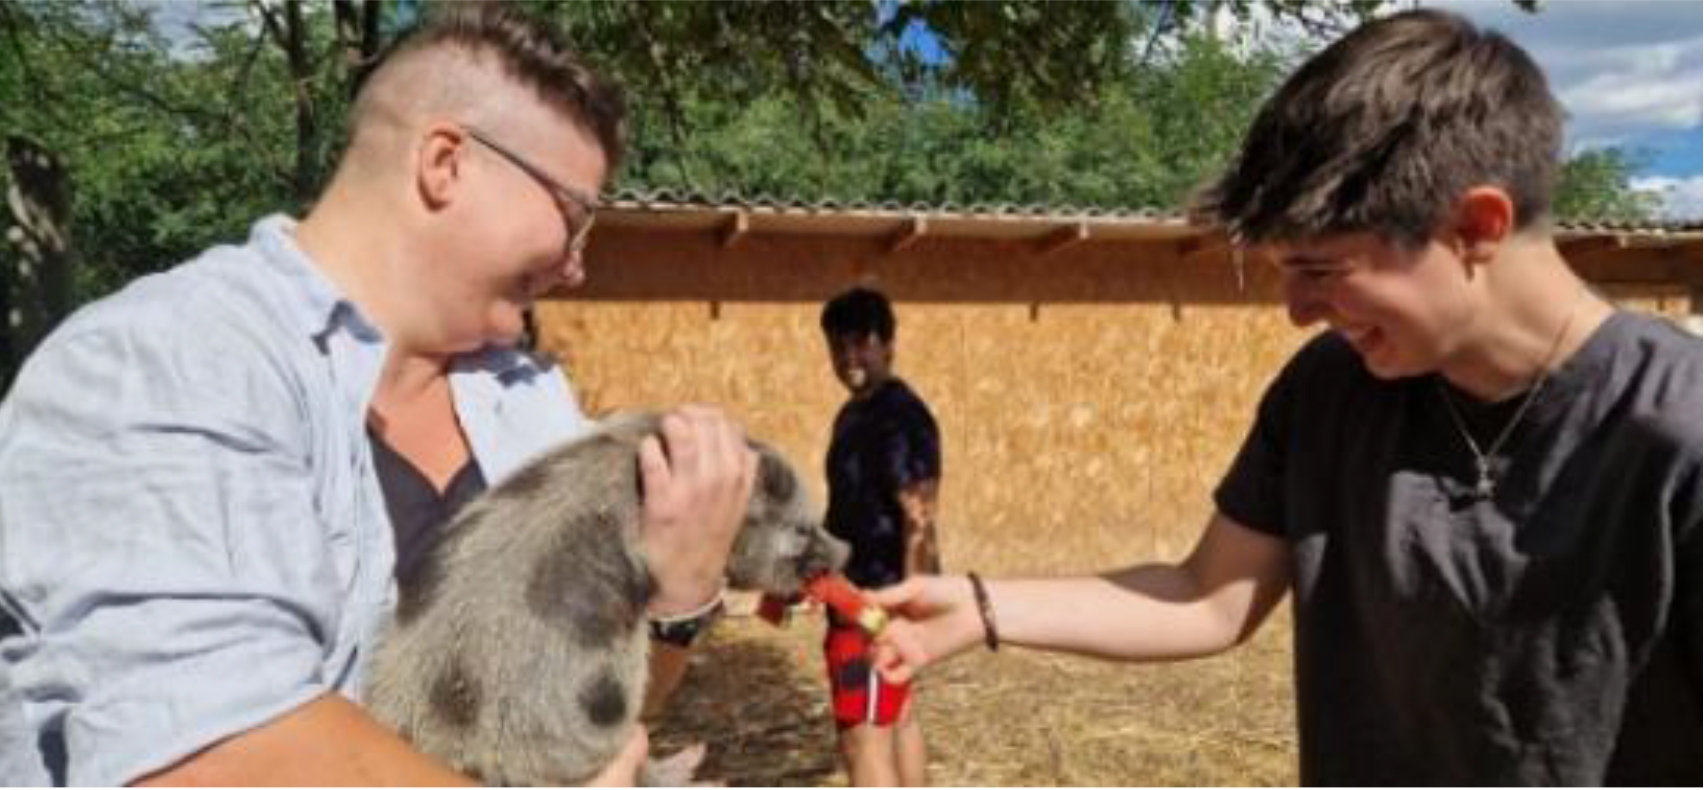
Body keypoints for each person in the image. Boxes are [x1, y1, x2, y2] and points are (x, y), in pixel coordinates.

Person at [870, 9, 1700, 786]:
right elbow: (1207, 596)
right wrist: (983, 606)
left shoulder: (1677, 434)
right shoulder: (1329, 392)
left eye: (1320, 270)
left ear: (1476, 228)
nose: (1297, 311)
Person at [0, 4, 756, 785]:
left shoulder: (533, 405)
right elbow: (215, 758)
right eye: (573, 218)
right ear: (445, 163)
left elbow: (587, 717)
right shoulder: (165, 359)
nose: (576, 266)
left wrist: (678, 597)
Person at [819, 287, 942, 786]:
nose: (848, 357)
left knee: (862, 732)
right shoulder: (853, 415)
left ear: (887, 344)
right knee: (898, 714)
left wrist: (911, 610)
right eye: (838, 346)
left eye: (860, 343)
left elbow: (919, 518)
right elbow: (845, 508)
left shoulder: (902, 417)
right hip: (851, 597)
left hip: (877, 604)